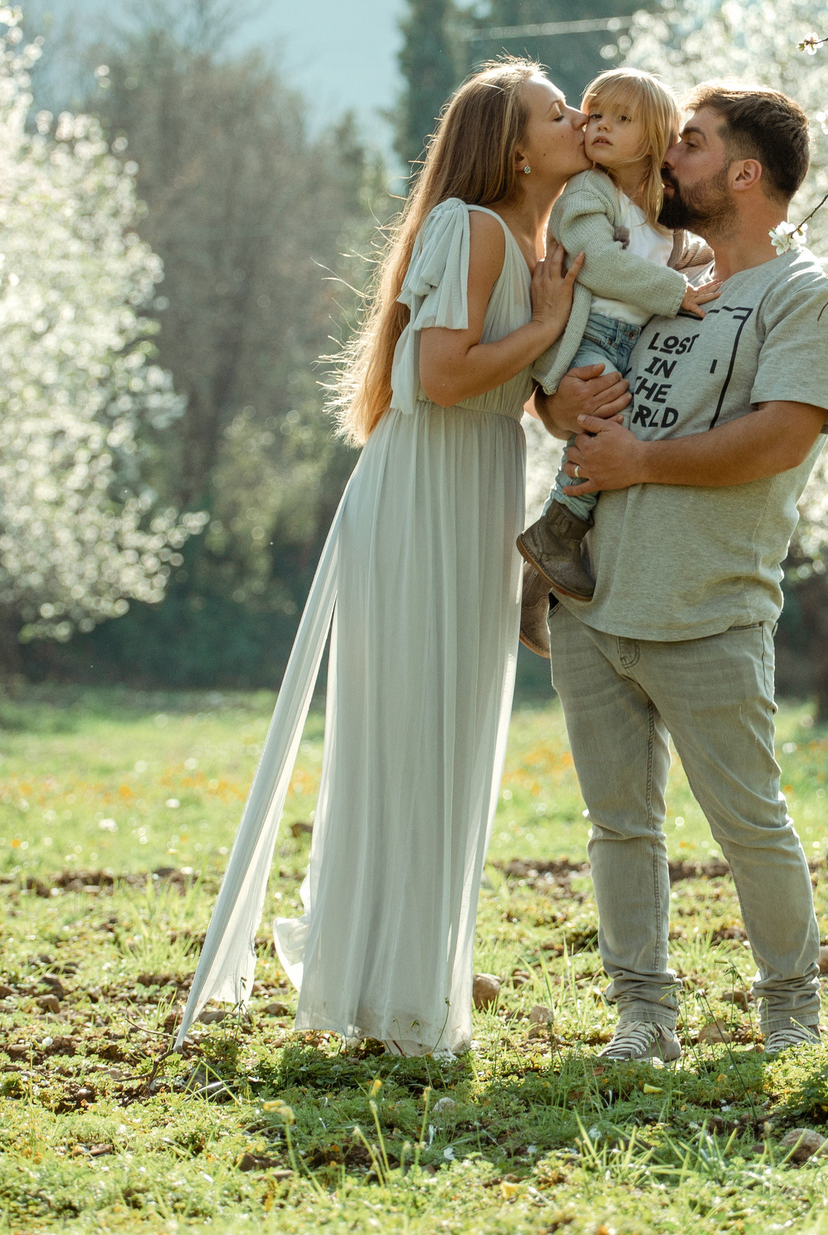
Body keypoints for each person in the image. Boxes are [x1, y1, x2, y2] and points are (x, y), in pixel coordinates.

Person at [173, 58, 588, 1057]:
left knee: (447, 741)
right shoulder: (473, 226)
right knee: (408, 738)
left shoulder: (535, 239)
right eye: (557, 112)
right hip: (423, 498)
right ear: (516, 148)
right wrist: (541, 325)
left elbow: (522, 393)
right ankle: (386, 994)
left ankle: (406, 988)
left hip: (476, 489)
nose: (579, 121)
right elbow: (442, 378)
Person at [539, 82, 828, 1065]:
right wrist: (563, 408)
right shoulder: (662, 274)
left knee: (749, 826)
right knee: (619, 829)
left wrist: (641, 463)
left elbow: (778, 438)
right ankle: (643, 1016)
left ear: (744, 173)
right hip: (591, 601)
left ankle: (788, 1013)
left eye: (687, 144)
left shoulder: (810, 297)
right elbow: (578, 398)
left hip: (709, 606)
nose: (664, 161)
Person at [517, 68, 718, 614]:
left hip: (633, 339)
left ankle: (543, 586)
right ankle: (556, 531)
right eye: (596, 114)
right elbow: (597, 263)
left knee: (626, 424)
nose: (599, 127)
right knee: (608, 422)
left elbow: (684, 254)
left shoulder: (657, 205)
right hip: (593, 336)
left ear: (654, 136)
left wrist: (726, 259)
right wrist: (675, 292)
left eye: (621, 119)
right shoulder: (588, 192)